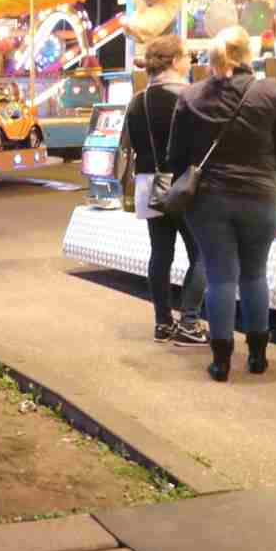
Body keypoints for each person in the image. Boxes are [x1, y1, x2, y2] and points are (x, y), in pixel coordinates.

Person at [164, 26, 276, 382]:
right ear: (248, 54)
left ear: (212, 57)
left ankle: (221, 362)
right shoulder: (272, 92)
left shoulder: (191, 96)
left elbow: (175, 155)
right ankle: (257, 357)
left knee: (220, 277)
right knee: (255, 274)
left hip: (209, 200)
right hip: (262, 196)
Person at [123, 34, 207, 346]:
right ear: (174, 61)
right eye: (187, 56)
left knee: (160, 253)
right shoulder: (191, 97)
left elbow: (129, 145)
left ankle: (162, 323)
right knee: (203, 254)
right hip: (184, 186)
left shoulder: (137, 101)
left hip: (150, 184)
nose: (190, 62)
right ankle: (189, 323)